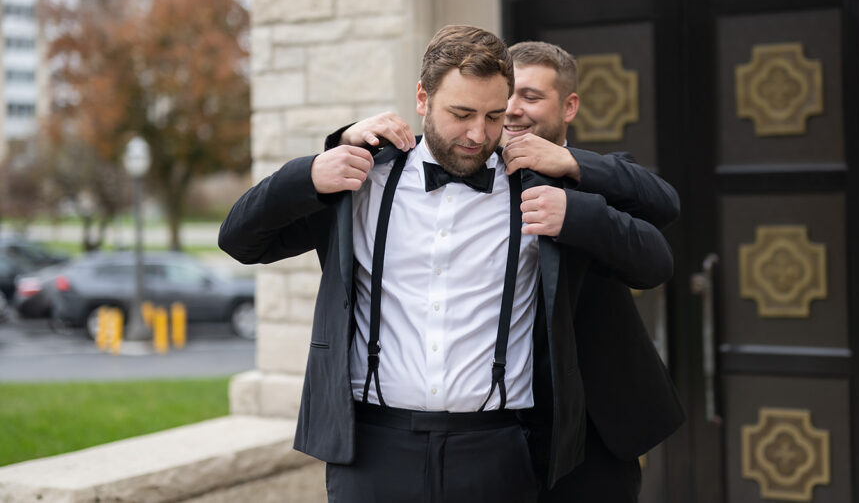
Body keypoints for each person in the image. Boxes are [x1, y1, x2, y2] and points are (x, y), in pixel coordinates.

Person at [218, 25, 674, 502]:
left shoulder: (537, 185)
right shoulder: (364, 181)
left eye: (494, 116)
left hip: (496, 452)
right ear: (422, 98)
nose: (478, 134)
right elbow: (241, 240)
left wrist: (576, 211)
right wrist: (309, 171)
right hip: (373, 451)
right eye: (461, 114)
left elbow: (654, 254)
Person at [503, 41, 685, 503]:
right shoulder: (471, 174)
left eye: (529, 95)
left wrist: (569, 164)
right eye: (505, 93)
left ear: (570, 106)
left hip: (593, 428)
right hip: (493, 426)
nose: (512, 109)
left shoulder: (596, 175)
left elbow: (663, 207)